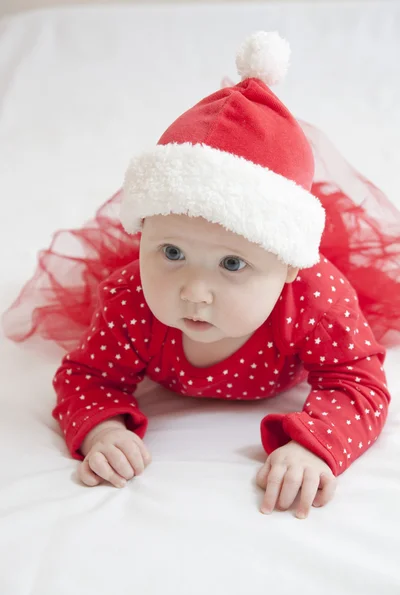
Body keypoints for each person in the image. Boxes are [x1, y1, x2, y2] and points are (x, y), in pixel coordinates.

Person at [3, 32, 400, 519]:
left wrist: (315, 445)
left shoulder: (314, 298)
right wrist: (102, 429)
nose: (193, 291)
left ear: (290, 265)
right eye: (170, 251)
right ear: (142, 234)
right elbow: (87, 376)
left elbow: (358, 385)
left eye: (233, 264)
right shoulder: (131, 298)